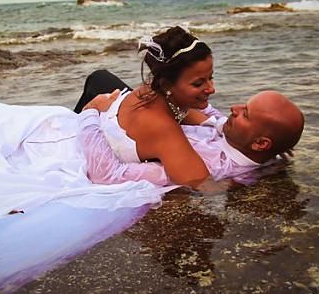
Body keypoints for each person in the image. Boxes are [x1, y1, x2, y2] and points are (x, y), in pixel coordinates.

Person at [74, 26, 224, 189]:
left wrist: (219, 123)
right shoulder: (163, 129)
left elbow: (190, 113)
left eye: (211, 77)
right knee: (97, 81)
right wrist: (90, 111)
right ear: (166, 84)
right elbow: (203, 184)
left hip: (111, 107)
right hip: (84, 138)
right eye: (198, 83)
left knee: (99, 77)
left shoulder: (154, 90)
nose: (212, 88)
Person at [77, 88, 304, 187]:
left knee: (97, 84)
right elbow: (209, 113)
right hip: (135, 129)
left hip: (103, 139)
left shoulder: (209, 165)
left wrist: (91, 112)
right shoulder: (239, 138)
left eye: (245, 113)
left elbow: (108, 176)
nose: (233, 108)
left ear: (260, 143)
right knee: (106, 81)